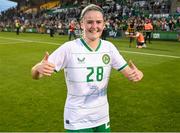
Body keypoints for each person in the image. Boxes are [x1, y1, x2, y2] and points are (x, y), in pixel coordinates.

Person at [31, 4, 143, 132]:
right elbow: (36, 74)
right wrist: (37, 69)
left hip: (102, 117)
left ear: (104, 24)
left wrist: (137, 74)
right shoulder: (69, 48)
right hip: (77, 119)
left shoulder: (109, 48)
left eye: (98, 22)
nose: (94, 26)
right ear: (81, 24)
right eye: (89, 22)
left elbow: (130, 74)